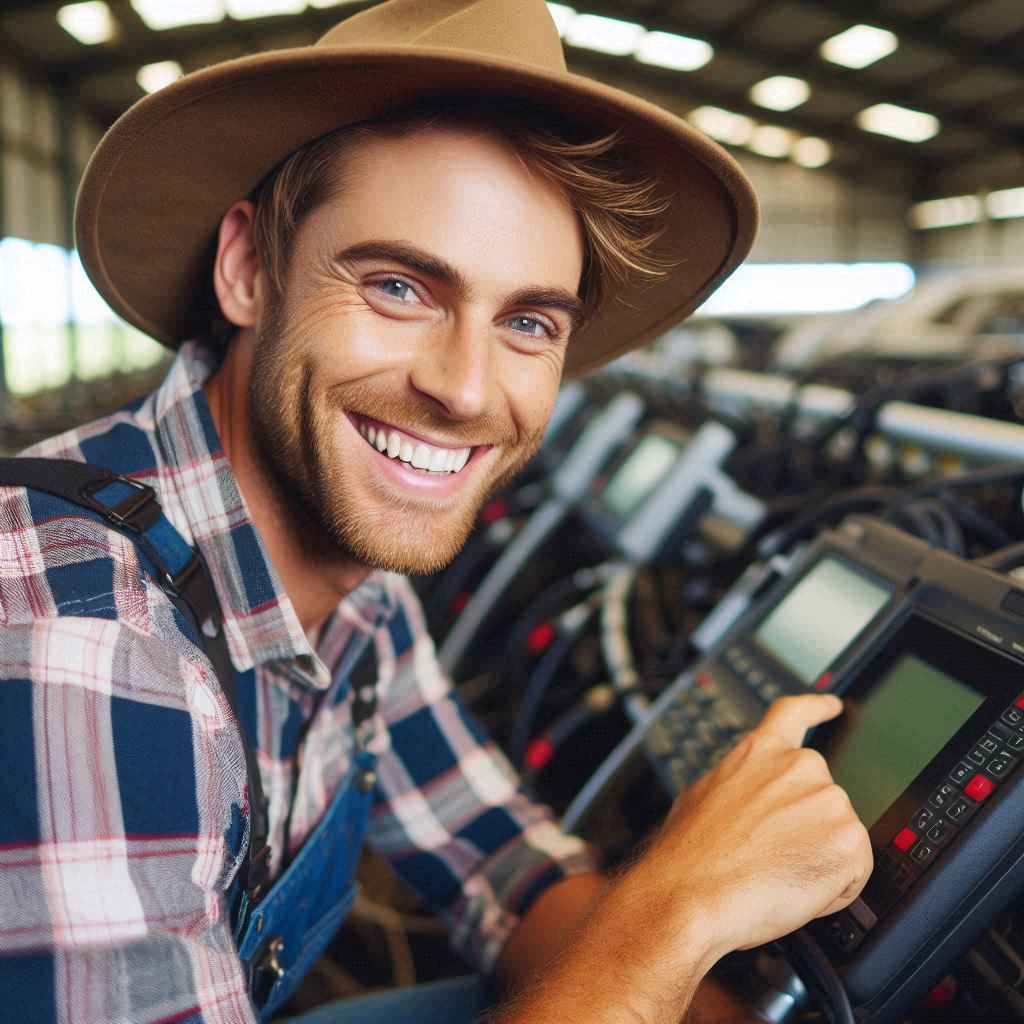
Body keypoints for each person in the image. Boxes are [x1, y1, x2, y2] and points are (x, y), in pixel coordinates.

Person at [0, 1, 872, 1022]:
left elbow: (506, 870)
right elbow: (623, 939)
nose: (465, 390)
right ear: (247, 270)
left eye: (527, 321)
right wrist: (675, 914)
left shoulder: (356, 589)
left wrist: (668, 945)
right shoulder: (84, 630)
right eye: (400, 286)